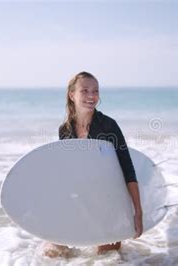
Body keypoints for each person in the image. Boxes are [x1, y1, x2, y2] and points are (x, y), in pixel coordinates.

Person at [42, 71, 143, 258]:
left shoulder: (109, 126)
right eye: (85, 91)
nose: (91, 96)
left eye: (95, 91)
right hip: (80, 199)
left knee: (107, 257)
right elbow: (69, 173)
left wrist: (137, 211)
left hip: (108, 200)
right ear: (72, 95)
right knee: (52, 253)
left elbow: (127, 169)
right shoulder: (64, 130)